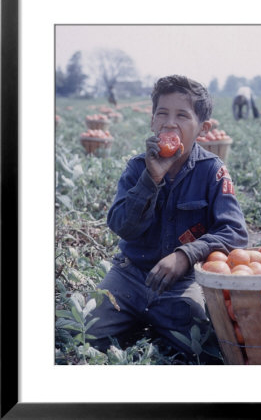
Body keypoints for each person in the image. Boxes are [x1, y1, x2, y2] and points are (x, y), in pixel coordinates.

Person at [87, 75, 248, 362]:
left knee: (207, 347)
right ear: (152, 122)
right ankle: (139, 321)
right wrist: (151, 178)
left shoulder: (212, 171)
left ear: (202, 129)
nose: (170, 123)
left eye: (182, 116)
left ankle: (155, 323)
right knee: (83, 332)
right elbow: (121, 226)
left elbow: (234, 231)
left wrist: (186, 255)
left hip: (181, 284)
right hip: (128, 277)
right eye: (162, 113)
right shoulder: (137, 168)